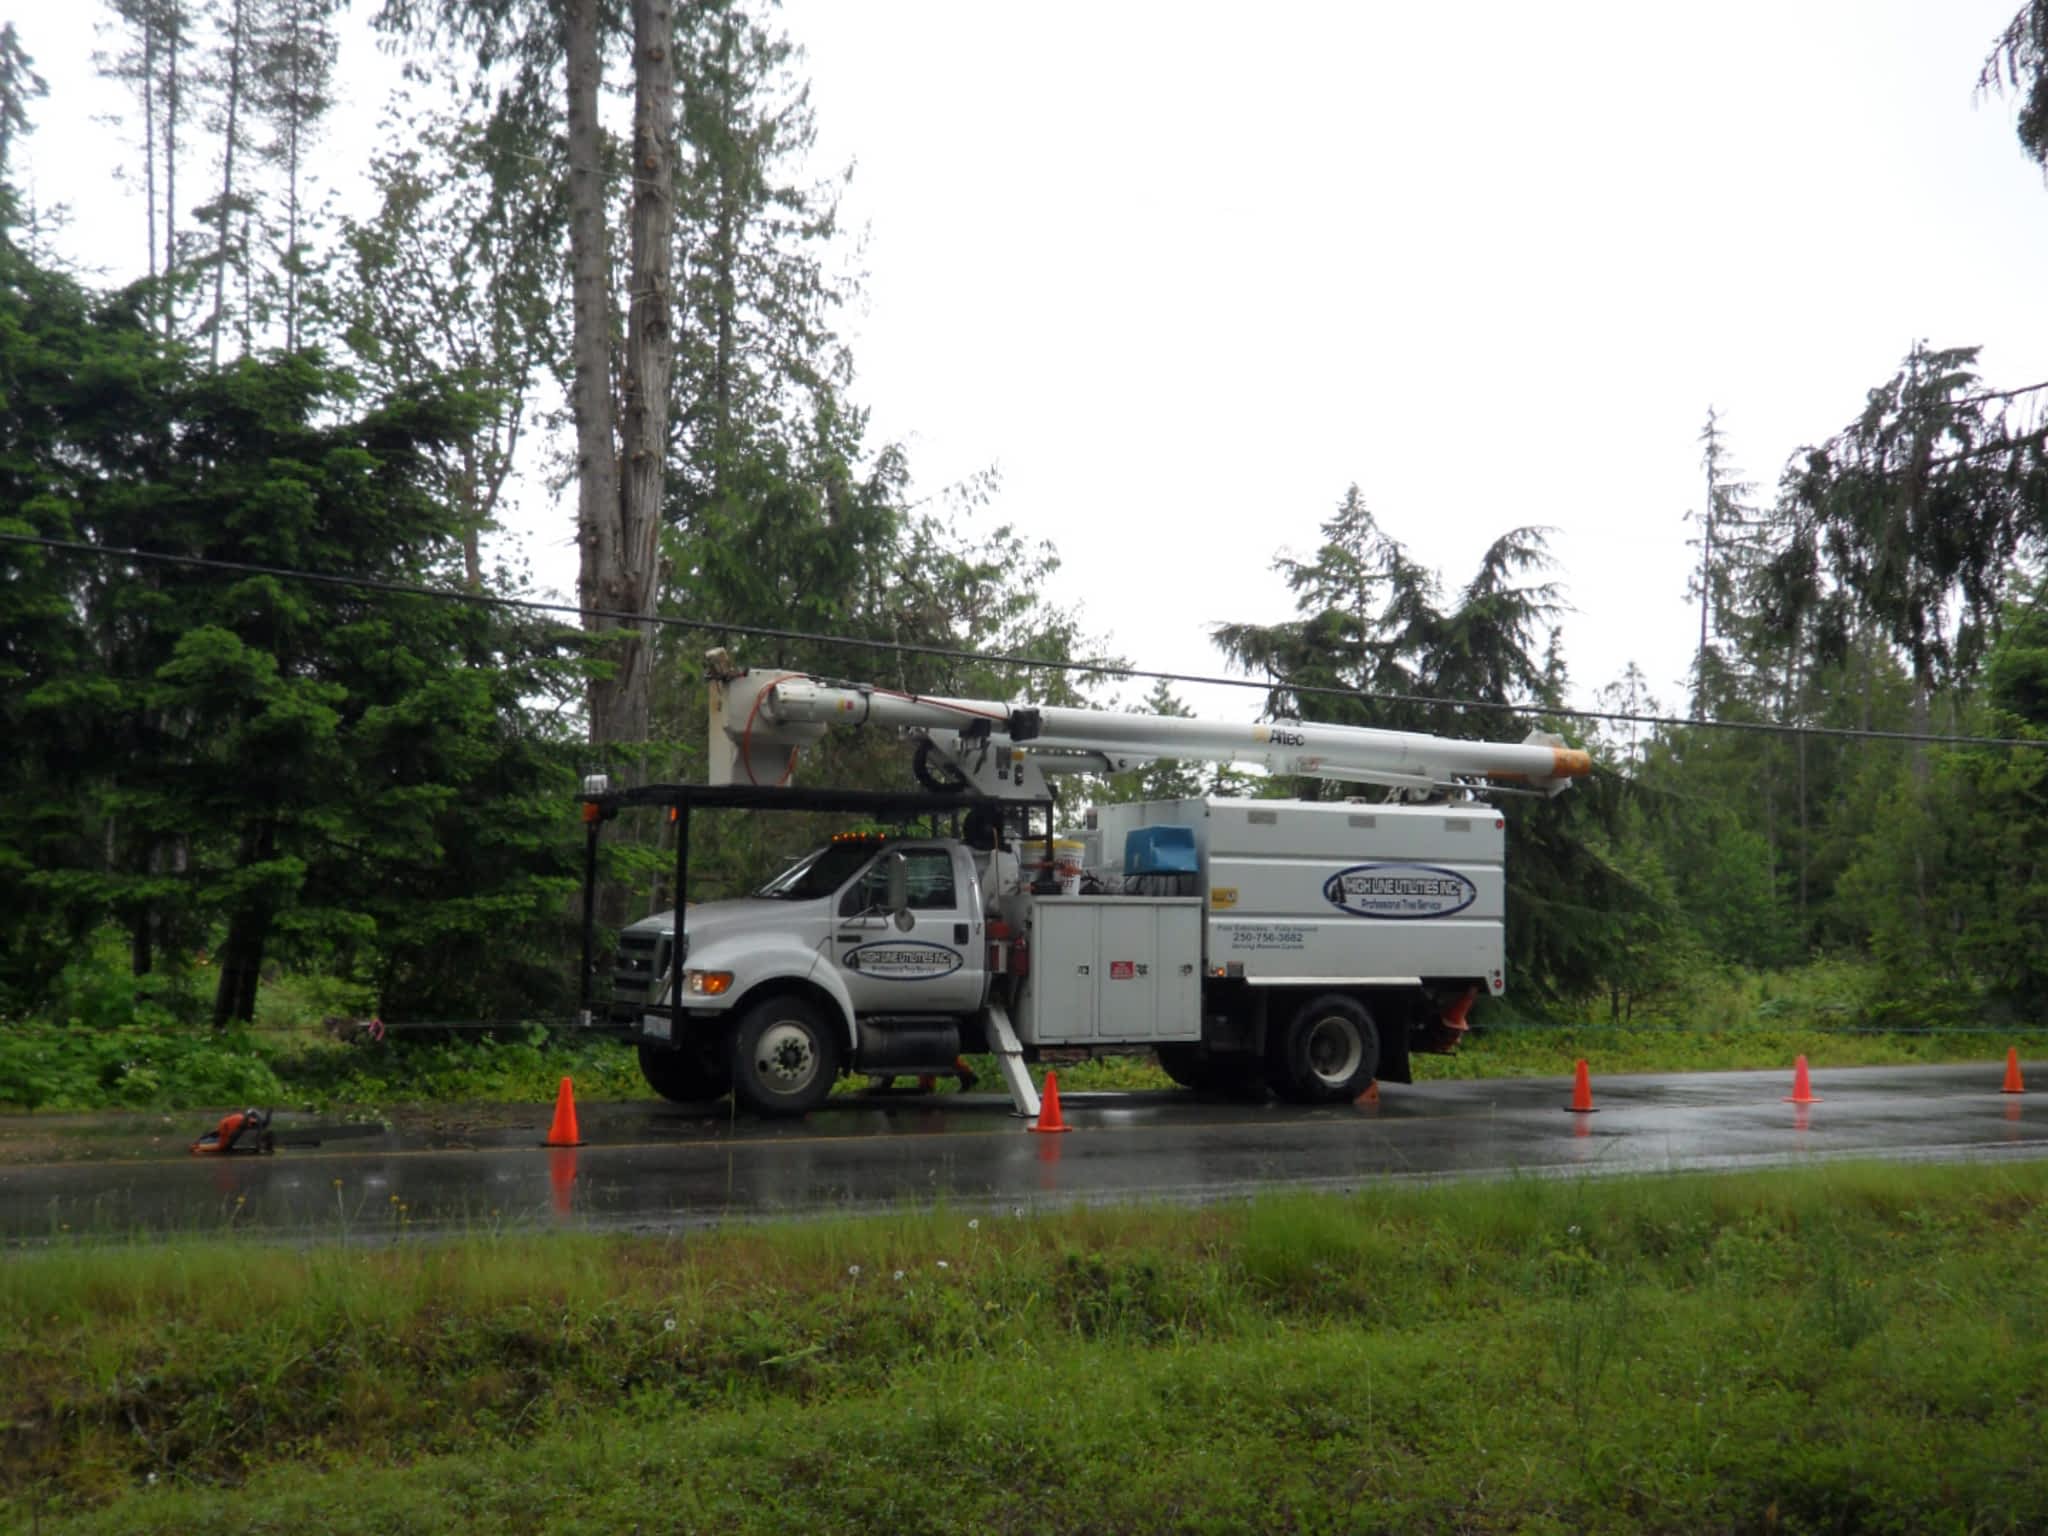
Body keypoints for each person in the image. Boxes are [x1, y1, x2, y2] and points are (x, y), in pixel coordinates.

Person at [189, 1107, 272, 1156]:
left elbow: (258, 1124)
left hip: (229, 1122)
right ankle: (198, 1147)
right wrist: (258, 1149)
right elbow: (257, 1137)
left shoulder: (251, 1119)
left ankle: (201, 1141)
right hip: (228, 1125)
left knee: (219, 1135)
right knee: (223, 1146)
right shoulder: (249, 1122)